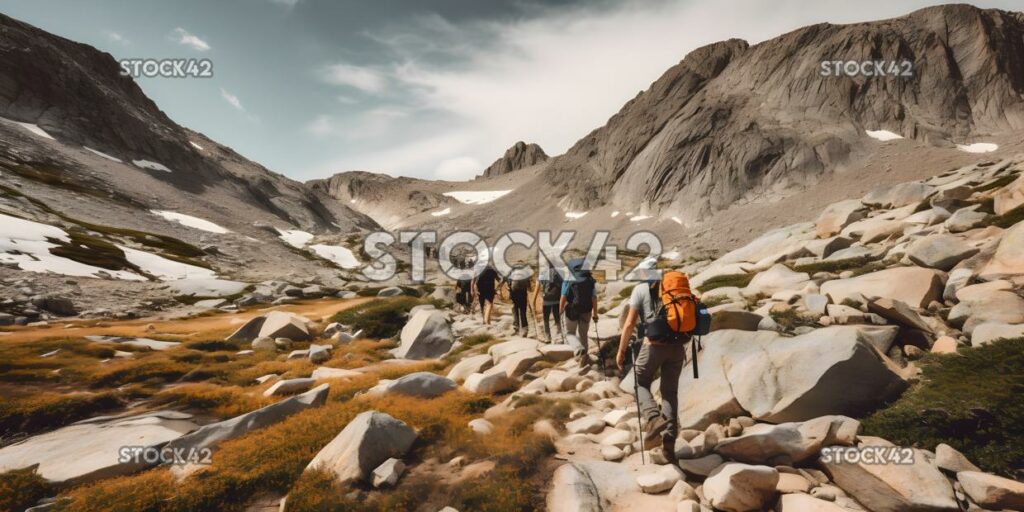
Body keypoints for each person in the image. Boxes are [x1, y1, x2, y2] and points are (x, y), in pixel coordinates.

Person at [614, 268, 688, 463]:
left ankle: (654, 418)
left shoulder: (640, 289)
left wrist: (621, 351)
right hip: (678, 346)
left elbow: (629, 323)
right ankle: (669, 444)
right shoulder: (674, 288)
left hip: (654, 345)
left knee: (639, 382)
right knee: (670, 393)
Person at [560, 258, 598, 365]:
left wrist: (561, 310)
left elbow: (563, 296)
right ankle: (584, 359)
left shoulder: (568, 279)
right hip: (586, 310)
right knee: (583, 334)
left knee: (570, 333)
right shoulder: (590, 279)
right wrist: (595, 314)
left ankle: (577, 349)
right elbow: (594, 298)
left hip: (572, 310)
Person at [532, 262, 564, 343]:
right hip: (557, 299)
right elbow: (565, 287)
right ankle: (560, 336)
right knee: (557, 318)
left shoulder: (543, 274)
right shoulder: (560, 273)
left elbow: (537, 288)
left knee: (546, 319)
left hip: (547, 300)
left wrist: (533, 301)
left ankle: (548, 337)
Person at [507, 267, 532, 336]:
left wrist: (509, 293)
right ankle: (525, 330)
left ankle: (516, 329)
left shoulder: (512, 271)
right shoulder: (526, 272)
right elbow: (529, 285)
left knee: (515, 311)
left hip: (514, 294)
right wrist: (529, 290)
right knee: (523, 311)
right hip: (523, 294)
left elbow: (509, 284)